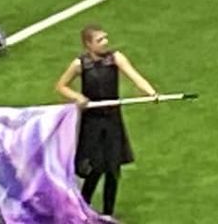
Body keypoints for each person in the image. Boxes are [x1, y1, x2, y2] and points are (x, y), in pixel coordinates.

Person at [55, 25, 159, 221]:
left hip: (112, 119)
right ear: (88, 44)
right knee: (95, 167)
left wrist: (150, 92)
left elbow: (134, 76)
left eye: (105, 38)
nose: (105, 42)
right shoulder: (80, 64)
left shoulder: (115, 58)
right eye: (100, 40)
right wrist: (77, 97)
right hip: (92, 120)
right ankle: (81, 208)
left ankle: (107, 213)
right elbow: (61, 86)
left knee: (113, 166)